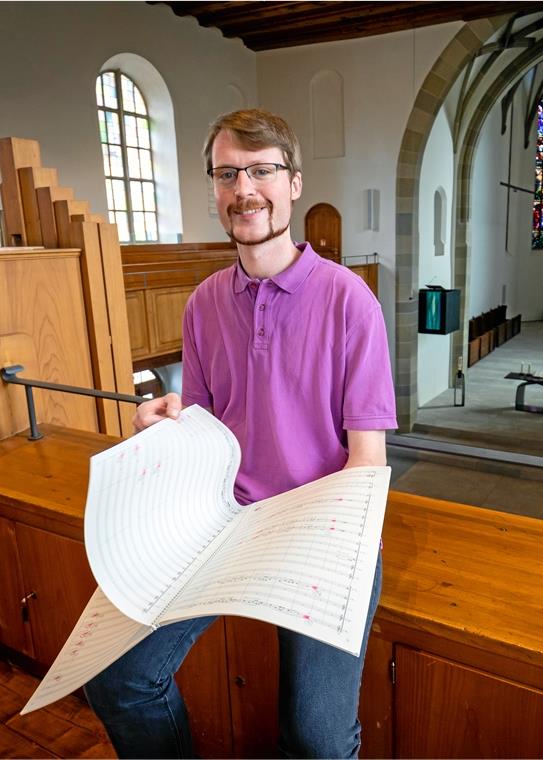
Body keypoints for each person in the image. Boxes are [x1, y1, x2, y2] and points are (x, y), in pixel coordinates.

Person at [84, 108, 397, 759]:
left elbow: (367, 462)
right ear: (214, 189)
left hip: (324, 532)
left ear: (293, 183)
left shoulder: (349, 301)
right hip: (225, 520)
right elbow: (204, 434)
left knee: (315, 738)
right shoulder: (203, 303)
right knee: (120, 680)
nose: (244, 189)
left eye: (260, 170)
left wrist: (298, 540)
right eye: (228, 174)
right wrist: (163, 428)